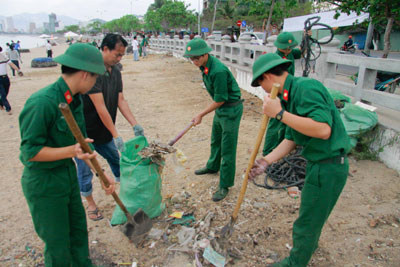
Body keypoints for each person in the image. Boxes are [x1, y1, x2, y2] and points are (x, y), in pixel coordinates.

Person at [249, 53, 351, 267]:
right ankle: (308, 246)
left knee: (307, 221)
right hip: (319, 164)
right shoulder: (290, 96)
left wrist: (279, 114)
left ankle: (296, 262)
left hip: (328, 166)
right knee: (312, 214)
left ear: (267, 77)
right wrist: (266, 161)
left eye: (261, 84)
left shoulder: (306, 89)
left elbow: (323, 130)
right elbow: (292, 138)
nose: (264, 91)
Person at [19, 43, 115, 266]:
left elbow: (82, 143)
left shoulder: (76, 100)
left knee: (78, 233)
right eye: (95, 78)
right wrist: (71, 151)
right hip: (44, 183)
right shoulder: (42, 103)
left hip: (67, 177)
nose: (95, 83)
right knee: (58, 244)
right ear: (84, 75)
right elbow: (30, 152)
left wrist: (102, 175)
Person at [75, 33, 144, 220]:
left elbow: (120, 100)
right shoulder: (92, 72)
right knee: (85, 170)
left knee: (117, 161)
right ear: (104, 49)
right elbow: (100, 106)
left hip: (104, 132)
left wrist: (135, 124)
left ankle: (126, 195)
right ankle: (90, 203)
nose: (120, 58)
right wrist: (116, 134)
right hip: (84, 133)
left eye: (122, 55)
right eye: (117, 54)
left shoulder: (116, 71)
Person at [183, 38, 243, 202]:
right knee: (216, 140)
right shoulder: (205, 67)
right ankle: (212, 166)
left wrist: (201, 114)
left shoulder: (218, 71)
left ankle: (225, 184)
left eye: (196, 58)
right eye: (191, 58)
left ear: (205, 54)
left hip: (230, 109)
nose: (194, 61)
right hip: (221, 109)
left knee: (227, 147)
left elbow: (221, 99)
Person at [262, 31, 305, 157]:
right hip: (280, 93)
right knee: (275, 123)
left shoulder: (291, 53)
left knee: (287, 122)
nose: (288, 50)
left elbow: (302, 52)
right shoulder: (276, 58)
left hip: (290, 92)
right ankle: (268, 150)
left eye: (290, 47)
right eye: (286, 48)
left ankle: (280, 148)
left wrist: (307, 37)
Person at [0, 46, 23, 115]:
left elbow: (11, 64)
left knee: (6, 91)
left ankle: (1, 103)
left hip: (5, 77)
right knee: (3, 93)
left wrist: (18, 70)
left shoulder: (3, 56)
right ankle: (8, 108)